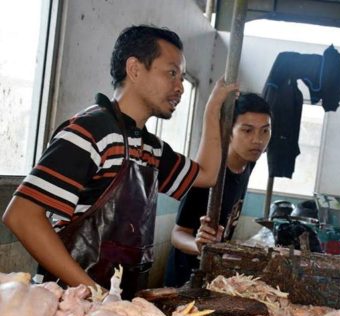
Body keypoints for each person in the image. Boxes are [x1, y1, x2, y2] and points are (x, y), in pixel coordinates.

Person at [2, 25, 237, 297]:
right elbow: (21, 216)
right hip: (68, 302)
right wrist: (97, 294)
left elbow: (207, 175)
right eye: (172, 73)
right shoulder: (90, 132)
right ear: (135, 69)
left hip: (115, 306)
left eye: (182, 78)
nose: (180, 88)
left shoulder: (150, 147)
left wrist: (213, 108)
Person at [164, 93, 271, 287]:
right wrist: (199, 247)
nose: (258, 140)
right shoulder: (208, 174)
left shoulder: (248, 164)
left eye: (265, 131)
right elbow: (177, 234)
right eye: (247, 131)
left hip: (212, 276)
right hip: (184, 279)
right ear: (229, 131)